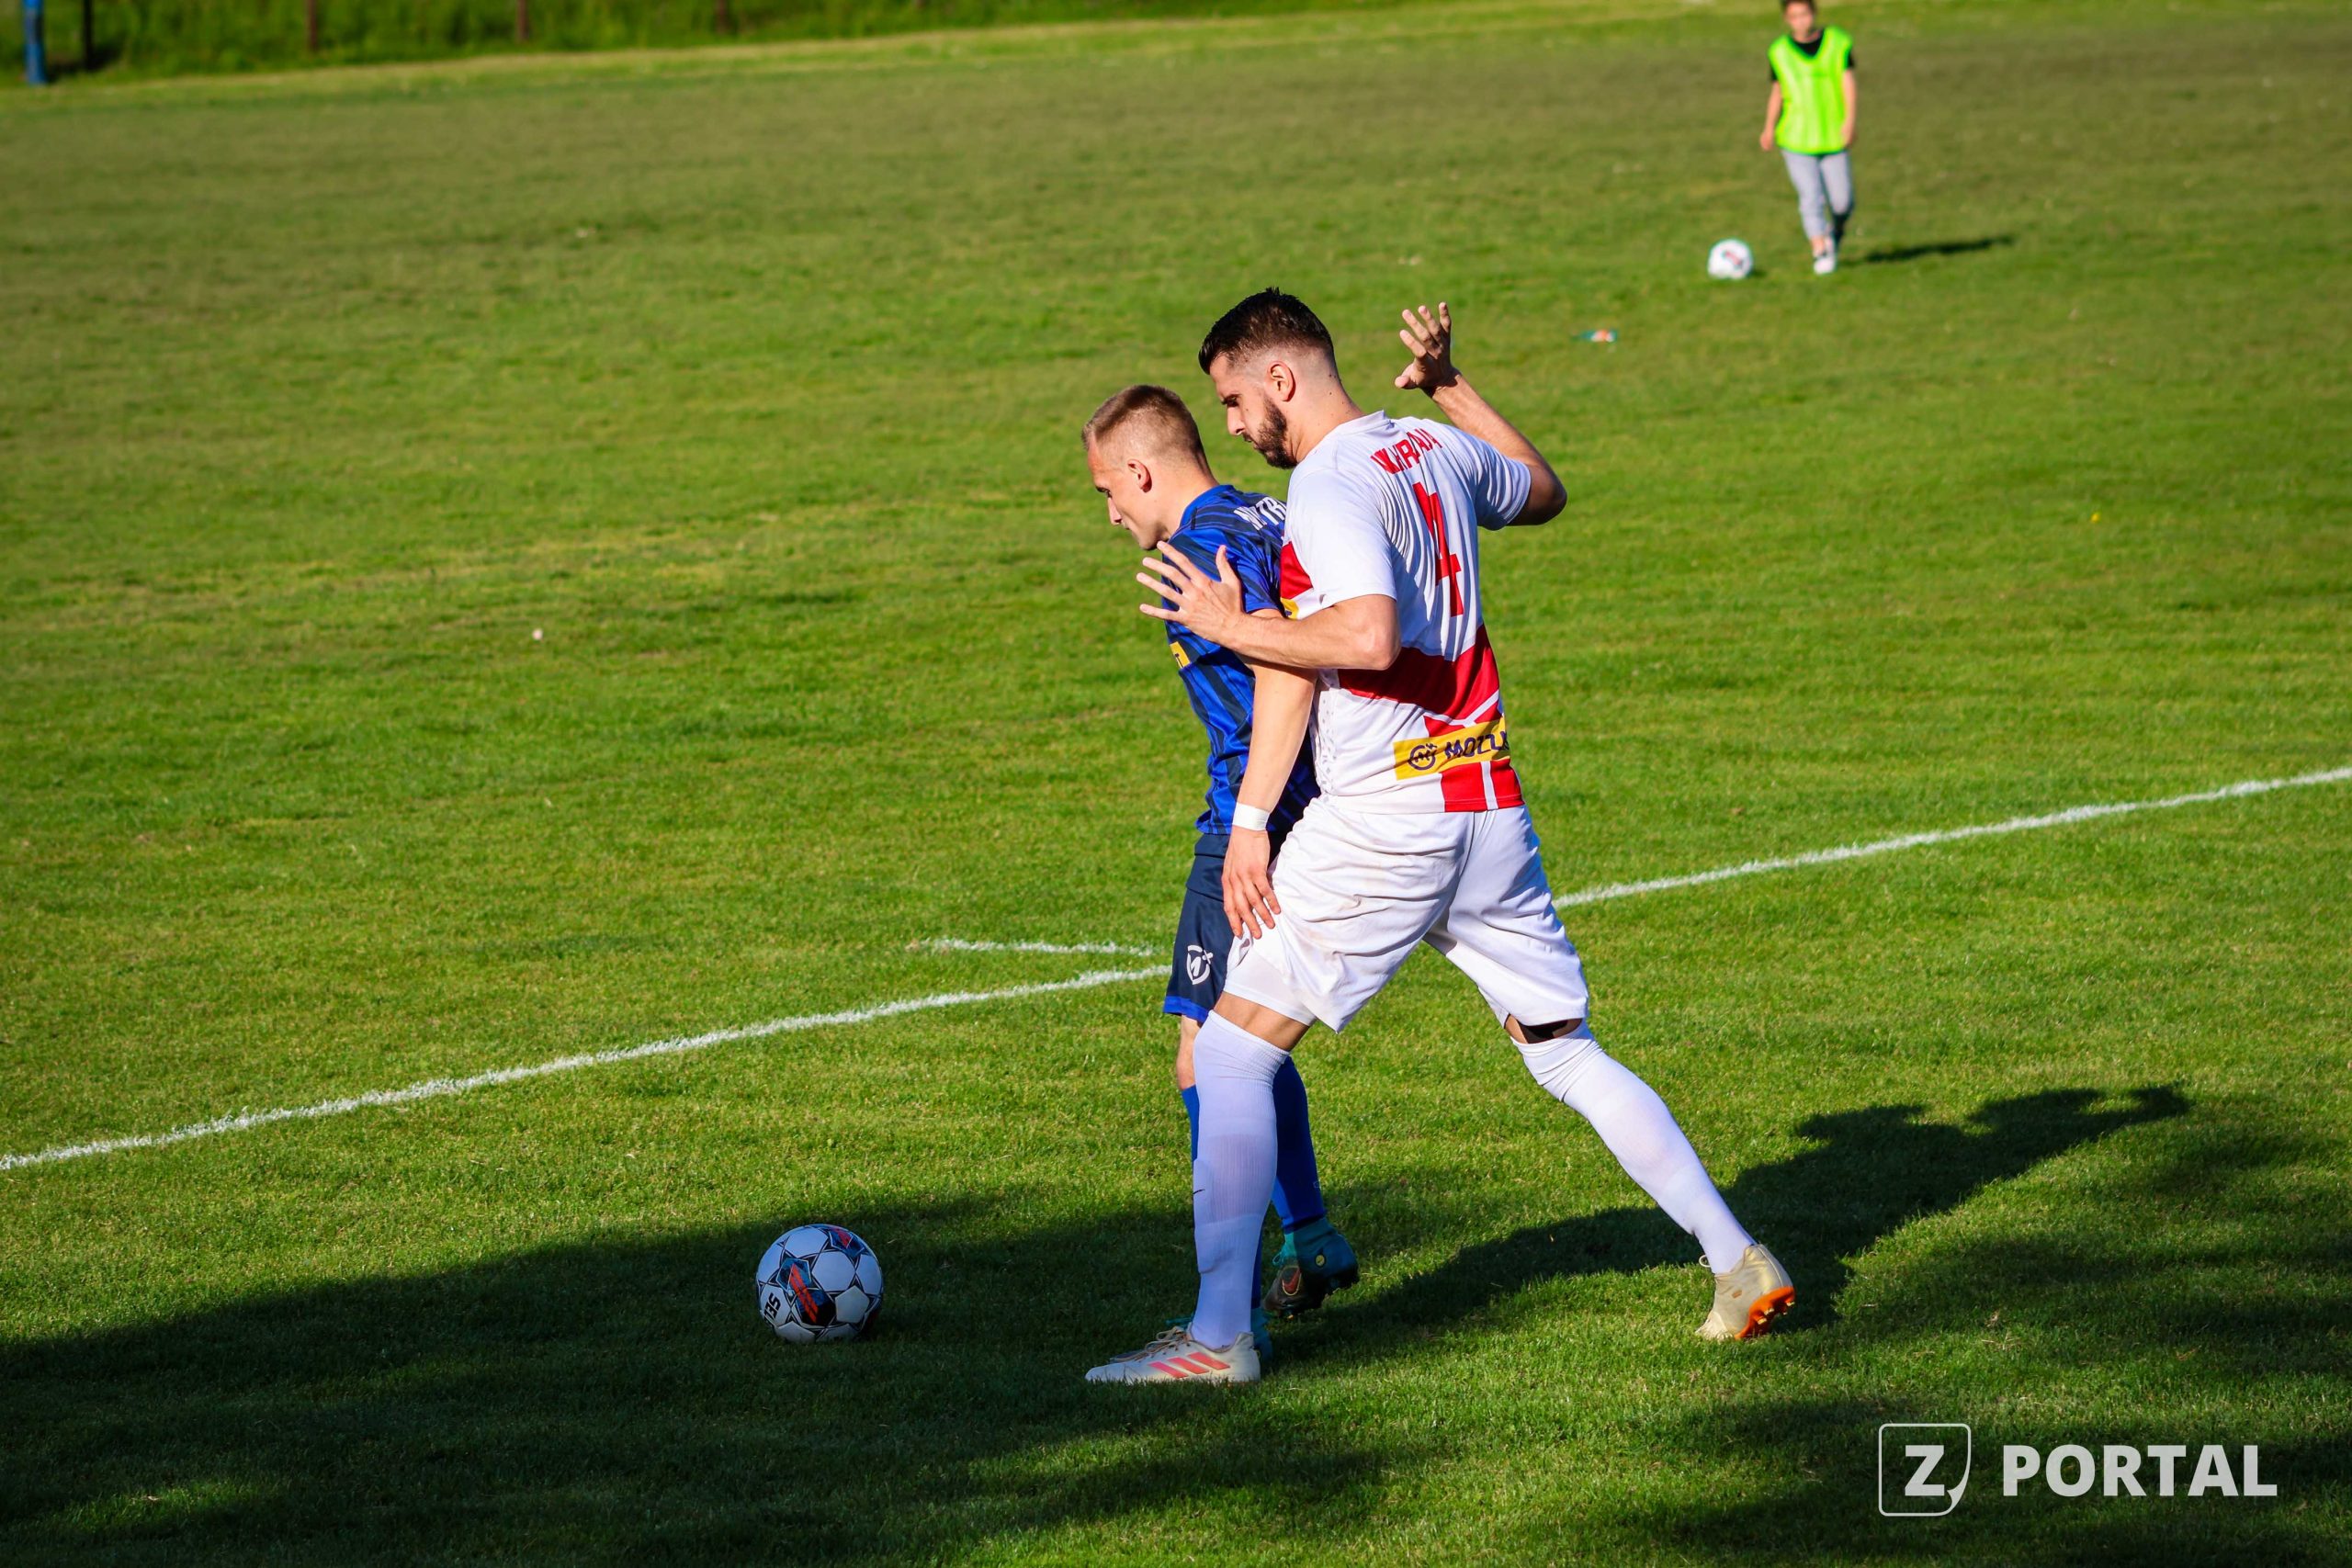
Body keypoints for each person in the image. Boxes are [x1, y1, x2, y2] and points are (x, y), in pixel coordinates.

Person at [1085, 293, 1792, 1386]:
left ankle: (1219, 1338)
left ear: (1281, 380)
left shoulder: (1327, 483)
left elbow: (1364, 639)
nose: (1231, 424)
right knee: (1562, 1052)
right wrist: (1454, 387)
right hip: (1487, 803)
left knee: (1226, 1052)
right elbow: (1542, 492)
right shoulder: (1427, 446)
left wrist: (1234, 627)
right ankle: (1734, 1255)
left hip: (1389, 817)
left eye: (1231, 399)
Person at [1078, 384, 1362, 1376]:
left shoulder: (1198, 550)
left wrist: (1246, 823)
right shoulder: (1261, 510)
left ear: (1141, 471)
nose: (1110, 512)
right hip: (1324, 797)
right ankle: (1310, 1235)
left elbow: (1281, 669)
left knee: (1202, 1058)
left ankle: (1223, 1325)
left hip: (1255, 815)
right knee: (1252, 1034)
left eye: (1108, 490)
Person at [1759, 0, 1858, 275]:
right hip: (1796, 137)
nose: (1800, 21)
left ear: (1813, 14)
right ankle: (1820, 250)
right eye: (1794, 16)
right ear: (1786, 19)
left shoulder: (1838, 43)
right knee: (1810, 197)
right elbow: (1778, 90)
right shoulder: (1779, 51)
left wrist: (1850, 121)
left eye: (1804, 14)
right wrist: (1769, 126)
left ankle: (1834, 234)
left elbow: (1848, 83)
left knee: (1843, 202)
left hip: (1832, 135)